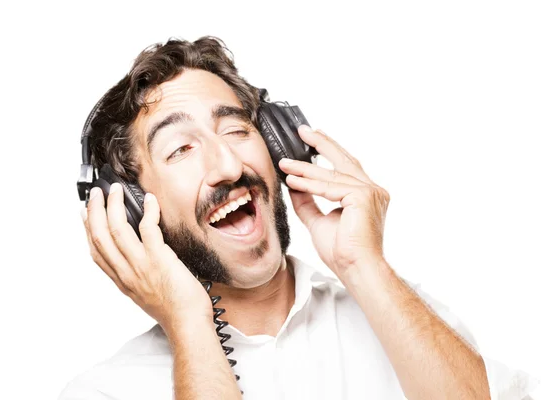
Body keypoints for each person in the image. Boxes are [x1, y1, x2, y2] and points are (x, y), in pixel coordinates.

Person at [60, 36, 538, 400]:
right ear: (132, 208)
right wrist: (189, 323)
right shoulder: (105, 390)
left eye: (237, 129)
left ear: (279, 145)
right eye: (181, 149)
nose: (229, 166)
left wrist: (363, 266)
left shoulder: (406, 320)